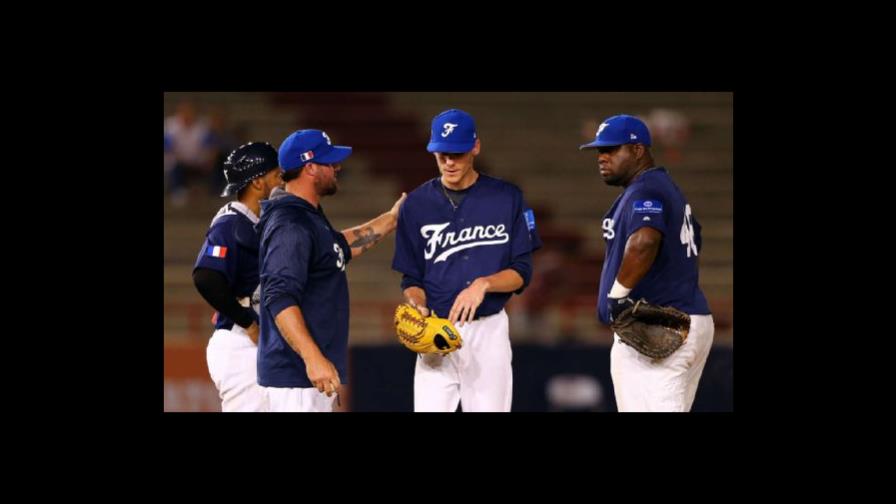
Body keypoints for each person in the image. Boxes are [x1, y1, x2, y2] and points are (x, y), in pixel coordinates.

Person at [392, 109, 542, 412]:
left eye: (457, 154)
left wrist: (484, 284)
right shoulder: (416, 205)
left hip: (488, 330)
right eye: (442, 154)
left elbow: (522, 272)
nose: (449, 162)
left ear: (475, 147)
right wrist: (417, 304)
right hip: (436, 329)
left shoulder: (507, 197)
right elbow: (411, 279)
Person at [257, 129, 406, 412]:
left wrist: (392, 219)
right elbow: (279, 297)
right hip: (295, 378)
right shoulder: (290, 224)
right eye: (329, 162)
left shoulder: (306, 216)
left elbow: (339, 247)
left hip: (303, 378)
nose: (337, 167)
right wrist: (313, 359)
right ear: (310, 167)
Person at [579, 114, 714, 412]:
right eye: (599, 151)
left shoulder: (646, 191)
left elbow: (645, 241)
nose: (602, 157)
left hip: (662, 324)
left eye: (612, 150)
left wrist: (617, 297)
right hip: (686, 319)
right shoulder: (665, 188)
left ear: (638, 150)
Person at [192, 142, 284, 412]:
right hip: (240, 341)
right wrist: (248, 323)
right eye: (276, 175)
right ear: (257, 182)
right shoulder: (231, 223)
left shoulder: (260, 222)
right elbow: (206, 278)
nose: (282, 181)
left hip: (257, 340)